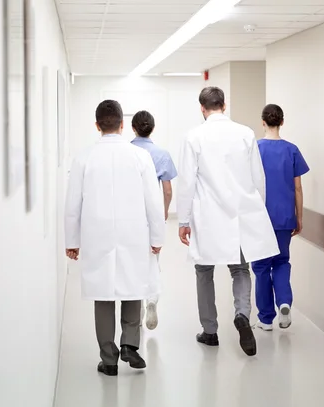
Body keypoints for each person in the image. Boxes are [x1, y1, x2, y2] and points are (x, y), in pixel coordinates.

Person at [64, 100, 165, 376]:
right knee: (133, 285)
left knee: (103, 293)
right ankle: (130, 344)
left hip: (97, 233)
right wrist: (157, 237)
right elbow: (153, 202)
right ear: (122, 125)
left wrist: (72, 241)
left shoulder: (84, 158)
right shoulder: (140, 156)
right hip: (133, 232)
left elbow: (73, 203)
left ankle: (108, 359)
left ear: (97, 126)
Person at [177, 87, 279, 357]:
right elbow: (258, 178)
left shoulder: (194, 136)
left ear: (202, 108)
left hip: (208, 216)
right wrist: (259, 213)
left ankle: (210, 331)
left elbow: (187, 181)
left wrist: (183, 220)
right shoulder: (245, 133)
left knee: (204, 272)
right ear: (224, 105)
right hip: (241, 215)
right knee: (240, 269)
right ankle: (243, 315)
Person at [251, 104, 309, 331]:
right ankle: (284, 301)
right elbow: (298, 188)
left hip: (260, 218)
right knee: (282, 262)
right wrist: (299, 217)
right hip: (285, 217)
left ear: (263, 122)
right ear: (282, 122)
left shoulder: (254, 150)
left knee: (262, 266)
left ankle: (266, 319)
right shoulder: (292, 150)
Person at [131, 110, 177, 331]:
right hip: (152, 215)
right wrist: (164, 212)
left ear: (132, 128)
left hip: (130, 215)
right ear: (153, 128)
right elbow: (167, 191)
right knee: (153, 259)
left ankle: (137, 304)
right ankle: (152, 300)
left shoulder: (127, 152)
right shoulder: (161, 154)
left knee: (132, 260)